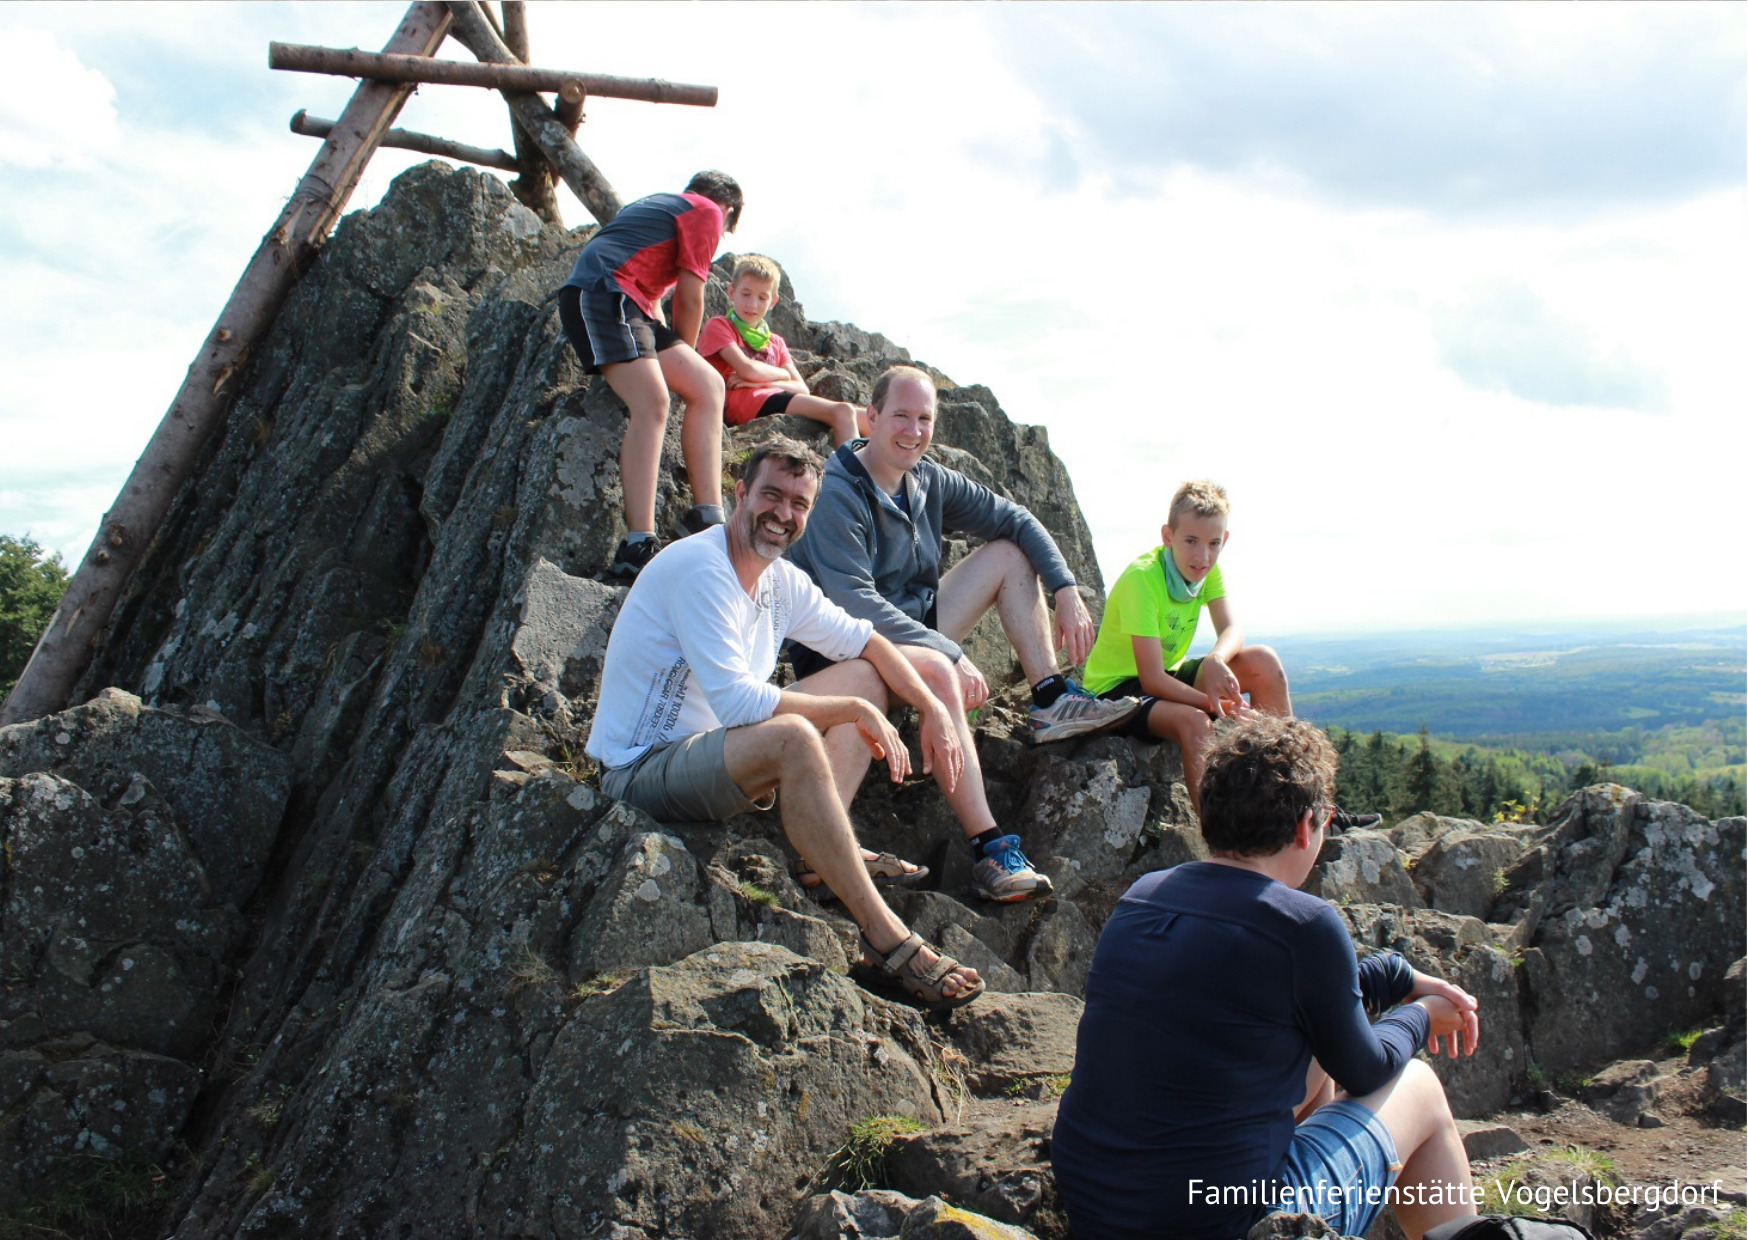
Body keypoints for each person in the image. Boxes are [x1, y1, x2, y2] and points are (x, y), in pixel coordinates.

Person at [584, 436, 983, 1011]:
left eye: (799, 503)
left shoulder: (780, 580)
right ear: (740, 493)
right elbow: (741, 706)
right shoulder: (702, 569)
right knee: (802, 732)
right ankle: (886, 937)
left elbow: (868, 639)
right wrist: (853, 711)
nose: (783, 514)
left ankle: (826, 850)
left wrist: (932, 709)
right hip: (641, 767)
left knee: (865, 673)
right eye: (771, 495)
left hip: (711, 750)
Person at [1051, 715, 1481, 1240]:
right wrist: (1419, 1016)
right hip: (1221, 1220)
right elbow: (1368, 1070)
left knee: (1311, 1048)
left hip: (1101, 1206)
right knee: (1420, 1087)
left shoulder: (1143, 896)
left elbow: (1289, 1004)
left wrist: (1391, 974)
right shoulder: (1304, 924)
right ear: (1305, 826)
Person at [788, 365, 1142, 903]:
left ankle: (1048, 697)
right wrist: (945, 650)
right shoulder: (838, 493)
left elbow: (1016, 518)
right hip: (840, 649)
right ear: (872, 417)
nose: (913, 430)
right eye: (901, 416)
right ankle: (990, 848)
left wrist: (1064, 585)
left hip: (911, 624)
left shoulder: (926, 480)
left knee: (1006, 554)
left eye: (924, 418)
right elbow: (853, 602)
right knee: (936, 669)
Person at [1082, 479, 1379, 827]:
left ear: (1224, 540)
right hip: (1117, 691)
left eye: (1212, 544)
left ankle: (1308, 809)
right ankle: (1221, 842)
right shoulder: (1143, 579)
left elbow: (1232, 630)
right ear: (1168, 536)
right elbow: (1151, 678)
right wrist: (1214, 705)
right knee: (1196, 723)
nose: (1202, 556)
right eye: (1190, 541)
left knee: (1262, 662)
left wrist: (1216, 659)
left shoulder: (1206, 570)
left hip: (1167, 676)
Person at [557, 170, 743, 580]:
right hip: (604, 294)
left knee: (708, 384)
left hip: (630, 303)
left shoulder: (659, 208)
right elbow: (691, 296)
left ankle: (708, 519)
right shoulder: (708, 211)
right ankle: (637, 543)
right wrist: (684, 350)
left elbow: (656, 300)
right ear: (727, 210)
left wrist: (681, 358)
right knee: (653, 402)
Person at [696, 255, 861, 446]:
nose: (753, 304)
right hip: (741, 403)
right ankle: (851, 476)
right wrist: (782, 375)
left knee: (868, 418)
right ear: (731, 292)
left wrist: (759, 383)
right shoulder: (719, 326)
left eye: (762, 297)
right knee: (843, 412)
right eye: (745, 294)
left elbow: (802, 388)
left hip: (769, 396)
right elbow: (747, 369)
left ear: (773, 301)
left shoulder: (775, 341)